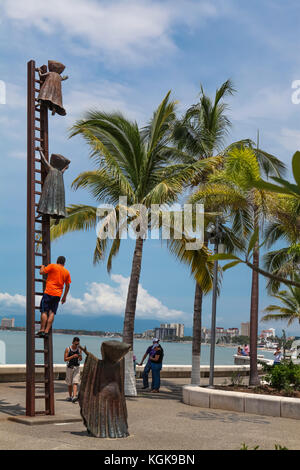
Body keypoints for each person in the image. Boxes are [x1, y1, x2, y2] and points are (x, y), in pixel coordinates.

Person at [37, 256, 71, 338]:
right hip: (58, 295)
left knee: (44, 311)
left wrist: (42, 267)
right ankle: (46, 331)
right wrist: (64, 297)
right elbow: (68, 285)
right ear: (64, 263)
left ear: (57, 261)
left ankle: (42, 330)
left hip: (48, 292)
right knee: (52, 313)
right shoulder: (66, 272)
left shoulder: (52, 266)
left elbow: (42, 272)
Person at [64, 337, 82, 402]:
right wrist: (72, 356)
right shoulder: (68, 349)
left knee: (75, 382)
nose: (77, 345)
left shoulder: (79, 349)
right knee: (69, 383)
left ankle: (74, 396)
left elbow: (80, 359)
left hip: (76, 367)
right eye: (76, 344)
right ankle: (70, 396)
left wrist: (79, 356)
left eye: (78, 344)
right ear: (73, 343)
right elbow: (65, 359)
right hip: (69, 367)